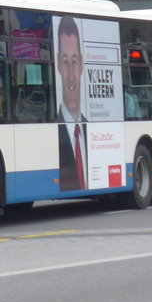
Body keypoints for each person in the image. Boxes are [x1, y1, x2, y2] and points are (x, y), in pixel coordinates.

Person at [55, 16, 87, 191]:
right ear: (58, 63)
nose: (71, 75)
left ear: (81, 64)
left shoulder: (90, 128)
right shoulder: (53, 128)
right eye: (65, 62)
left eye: (74, 62)